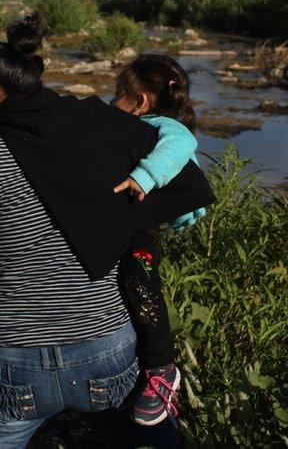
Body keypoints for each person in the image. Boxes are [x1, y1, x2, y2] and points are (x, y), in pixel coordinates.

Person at [0, 14, 214, 448]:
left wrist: (6, 259)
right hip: (109, 352)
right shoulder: (102, 124)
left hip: (11, 366)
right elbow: (183, 175)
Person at [110, 54, 206, 426]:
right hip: (135, 220)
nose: (113, 99)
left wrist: (144, 176)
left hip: (146, 226)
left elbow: (180, 148)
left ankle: (162, 368)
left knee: (139, 277)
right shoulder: (134, 126)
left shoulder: (164, 126)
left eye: (119, 93)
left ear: (140, 101)